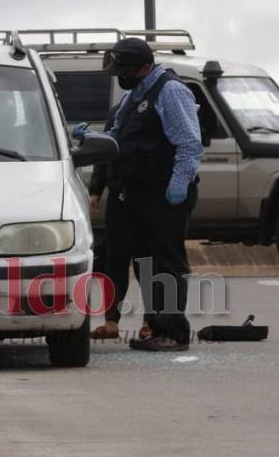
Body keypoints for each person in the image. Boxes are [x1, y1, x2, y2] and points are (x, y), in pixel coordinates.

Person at [102, 37, 203, 352]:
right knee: (145, 263)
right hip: (139, 194)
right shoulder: (135, 96)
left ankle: (173, 332)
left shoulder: (170, 91)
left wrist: (179, 183)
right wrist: (91, 138)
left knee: (167, 262)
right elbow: (118, 135)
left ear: (145, 67)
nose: (121, 76)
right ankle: (156, 325)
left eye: (126, 69)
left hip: (165, 194)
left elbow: (189, 143)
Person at [85, 100, 150, 341]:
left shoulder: (160, 105)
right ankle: (111, 322)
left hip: (147, 196)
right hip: (118, 195)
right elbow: (105, 152)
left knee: (147, 261)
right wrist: (96, 190)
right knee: (115, 261)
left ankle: (150, 321)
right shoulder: (119, 110)